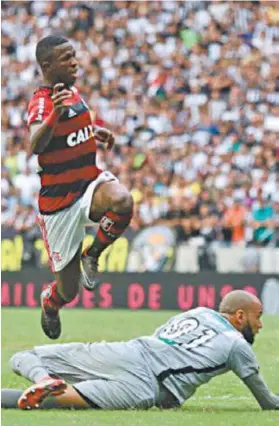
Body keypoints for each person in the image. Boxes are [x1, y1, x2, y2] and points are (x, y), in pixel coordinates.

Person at [2, 290, 279, 411]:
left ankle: (42, 379)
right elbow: (268, 402)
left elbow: (162, 337)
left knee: (24, 357)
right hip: (145, 385)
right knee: (56, 401)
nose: (261, 324)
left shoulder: (198, 312)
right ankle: (47, 389)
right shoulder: (236, 344)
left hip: (128, 351)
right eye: (258, 317)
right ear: (240, 316)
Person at [27, 35, 133, 340]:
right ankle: (50, 303)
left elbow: (71, 128)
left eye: (74, 55)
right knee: (68, 290)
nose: (75, 62)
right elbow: (36, 143)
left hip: (88, 185)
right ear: (47, 66)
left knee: (122, 200)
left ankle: (93, 254)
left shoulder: (72, 93)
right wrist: (55, 114)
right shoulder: (42, 102)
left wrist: (92, 131)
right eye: (66, 58)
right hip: (59, 204)